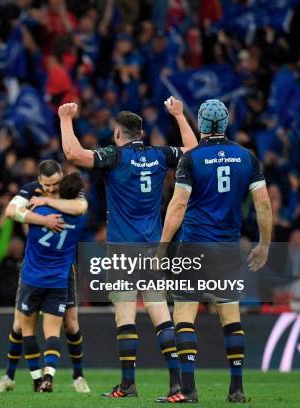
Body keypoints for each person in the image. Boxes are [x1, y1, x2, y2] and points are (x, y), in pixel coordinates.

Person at [58, 97, 197, 399]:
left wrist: (65, 118)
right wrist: (179, 115)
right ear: (142, 134)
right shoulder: (160, 155)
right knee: (160, 312)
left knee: (125, 314)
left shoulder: (115, 156)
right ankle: (176, 383)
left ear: (119, 134)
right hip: (153, 247)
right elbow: (194, 151)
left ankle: (128, 384)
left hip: (123, 249)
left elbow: (73, 153)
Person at [158, 99, 272, 403]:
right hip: (227, 249)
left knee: (184, 316)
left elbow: (179, 205)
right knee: (230, 317)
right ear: (225, 124)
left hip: (194, 247)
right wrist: (264, 244)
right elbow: (263, 203)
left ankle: (189, 390)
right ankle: (236, 389)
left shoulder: (192, 159)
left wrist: (161, 246)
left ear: (201, 125)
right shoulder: (247, 157)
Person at [0, 160, 91, 394]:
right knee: (20, 324)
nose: (50, 188)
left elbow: (81, 207)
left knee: (72, 324)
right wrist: (44, 220)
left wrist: (46, 203)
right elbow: (10, 211)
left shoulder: (69, 189)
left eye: (55, 183)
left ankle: (78, 376)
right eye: (46, 185)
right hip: (39, 266)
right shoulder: (30, 189)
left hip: (63, 269)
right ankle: (9, 376)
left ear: (62, 177)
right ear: (40, 181)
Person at [17, 172, 87, 392]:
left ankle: (37, 379)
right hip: (58, 280)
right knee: (53, 333)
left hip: (32, 278)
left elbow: (21, 221)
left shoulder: (38, 210)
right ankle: (49, 375)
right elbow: (80, 207)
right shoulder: (80, 218)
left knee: (27, 330)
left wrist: (40, 205)